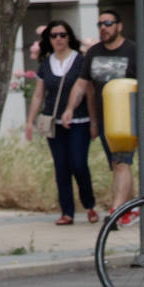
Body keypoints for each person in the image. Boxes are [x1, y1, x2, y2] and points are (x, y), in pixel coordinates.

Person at [60, 8, 144, 225]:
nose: (103, 28)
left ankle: (117, 211)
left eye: (108, 23)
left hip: (128, 117)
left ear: (119, 26)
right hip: (105, 120)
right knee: (119, 165)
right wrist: (69, 109)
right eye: (100, 24)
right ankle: (131, 209)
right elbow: (81, 84)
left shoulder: (133, 51)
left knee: (121, 162)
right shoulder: (93, 53)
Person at [25, 20, 99, 226]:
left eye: (62, 35)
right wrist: (30, 121)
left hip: (80, 121)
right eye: (54, 36)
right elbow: (39, 95)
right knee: (61, 167)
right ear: (48, 40)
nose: (58, 39)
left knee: (78, 163)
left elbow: (90, 92)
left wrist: (94, 122)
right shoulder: (45, 64)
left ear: (69, 37)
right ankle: (67, 212)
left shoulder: (81, 61)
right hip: (53, 122)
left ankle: (89, 204)